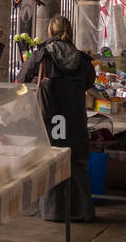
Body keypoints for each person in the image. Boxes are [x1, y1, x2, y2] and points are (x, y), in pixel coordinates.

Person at [18, 16, 97, 222]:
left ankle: (54, 211)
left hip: (52, 115)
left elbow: (21, 79)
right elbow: (90, 80)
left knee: (53, 157)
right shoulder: (82, 58)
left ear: (50, 33)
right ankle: (81, 210)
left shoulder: (41, 54)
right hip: (75, 116)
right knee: (76, 159)